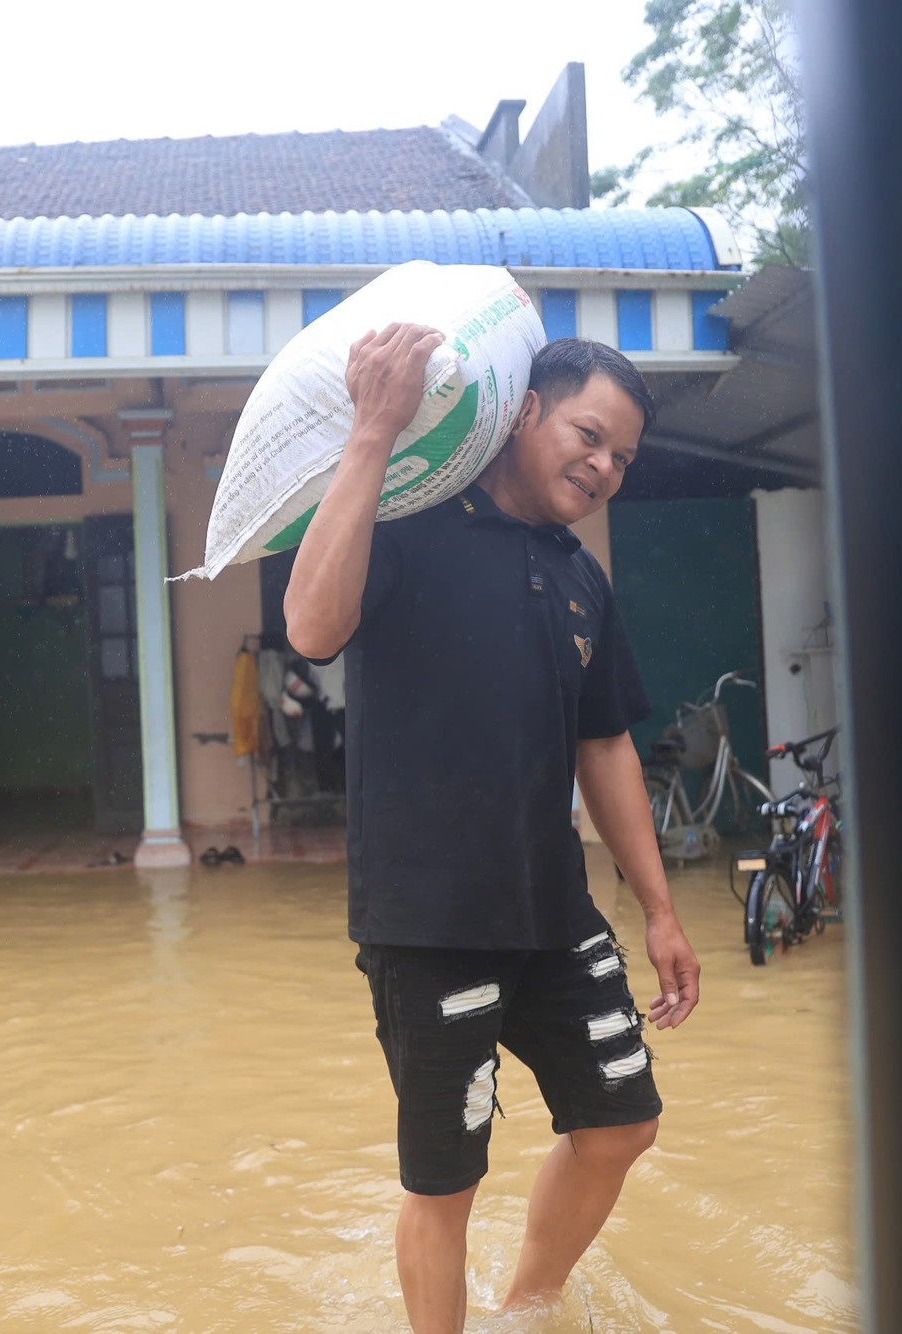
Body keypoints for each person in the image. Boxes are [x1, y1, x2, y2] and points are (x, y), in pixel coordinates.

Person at [283, 326, 701, 1333]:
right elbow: (308, 626)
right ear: (523, 411)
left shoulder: (576, 576)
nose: (601, 466)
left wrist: (656, 908)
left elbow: (602, 745)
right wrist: (373, 431)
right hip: (427, 918)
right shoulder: (403, 525)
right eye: (588, 434)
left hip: (553, 908)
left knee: (620, 1121)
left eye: (621, 458)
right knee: (445, 1178)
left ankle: (527, 1308)